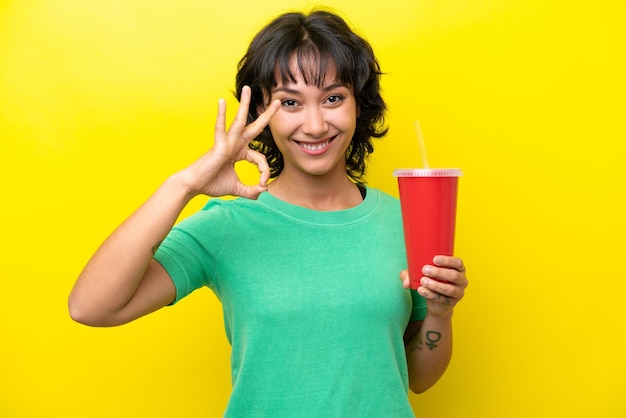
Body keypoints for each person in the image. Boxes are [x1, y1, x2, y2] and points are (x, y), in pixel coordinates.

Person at [69, 9, 468, 417]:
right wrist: (184, 185)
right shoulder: (228, 226)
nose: (314, 125)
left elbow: (419, 378)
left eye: (333, 98)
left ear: (357, 102)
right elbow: (91, 307)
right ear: (262, 109)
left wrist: (440, 314)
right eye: (290, 103)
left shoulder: (405, 221)